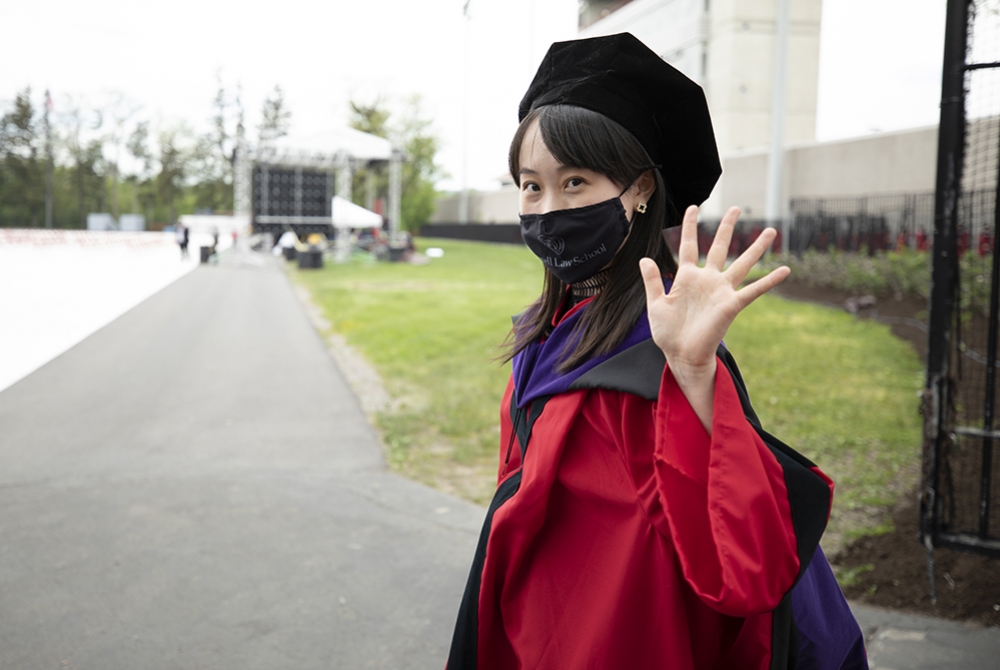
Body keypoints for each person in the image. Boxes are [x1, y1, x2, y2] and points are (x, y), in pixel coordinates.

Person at [446, 34, 867, 670]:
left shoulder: (665, 346)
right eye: (531, 186)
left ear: (640, 189)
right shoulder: (543, 328)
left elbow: (739, 559)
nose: (548, 208)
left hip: (631, 629)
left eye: (576, 181)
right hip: (537, 621)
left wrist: (694, 375)